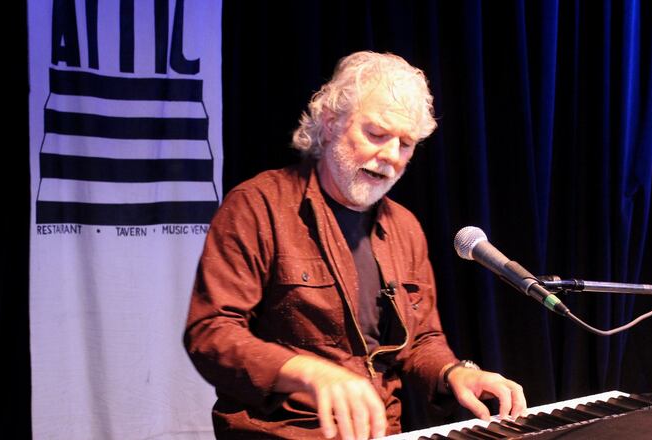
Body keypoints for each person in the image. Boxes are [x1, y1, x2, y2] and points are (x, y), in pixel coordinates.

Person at [184, 51, 526, 440]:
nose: (390, 157)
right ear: (330, 123)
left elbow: (422, 342)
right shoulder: (257, 206)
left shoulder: (405, 228)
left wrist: (455, 373)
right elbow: (211, 332)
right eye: (377, 135)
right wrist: (304, 372)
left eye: (406, 144)